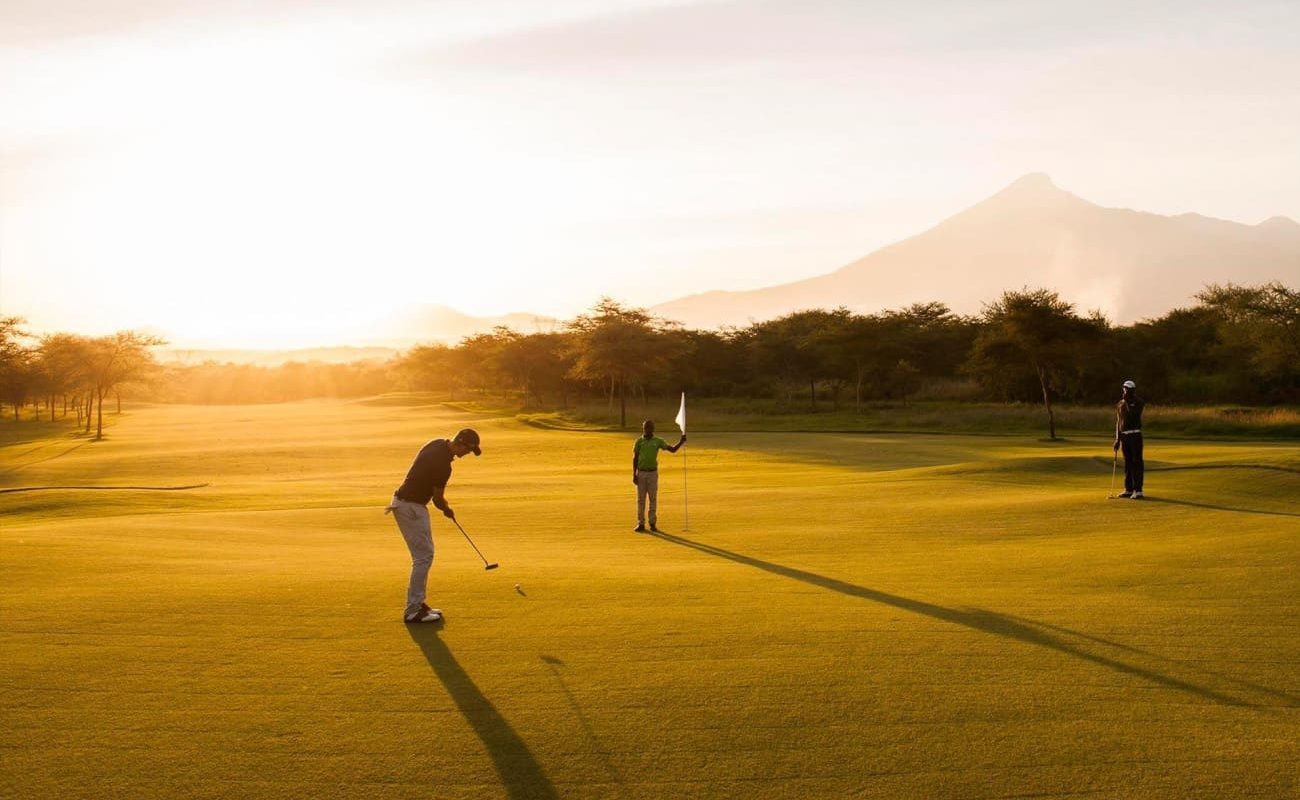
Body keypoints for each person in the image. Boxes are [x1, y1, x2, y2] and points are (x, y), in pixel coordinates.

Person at [386, 428, 482, 622]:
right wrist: (447, 509)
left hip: (405, 503)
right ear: (460, 443)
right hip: (411, 507)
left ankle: (418, 603)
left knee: (424, 555)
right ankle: (413, 611)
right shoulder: (444, 466)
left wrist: (443, 507)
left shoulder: (436, 443)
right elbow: (438, 499)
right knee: (423, 557)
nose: (467, 454)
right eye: (468, 450)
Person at [632, 419, 685, 533]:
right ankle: (641, 523)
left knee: (653, 498)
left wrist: (681, 442)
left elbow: (672, 450)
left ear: (653, 429)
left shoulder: (658, 441)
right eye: (646, 428)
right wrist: (634, 475)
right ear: (643, 429)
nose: (647, 430)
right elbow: (635, 458)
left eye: (650, 428)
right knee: (641, 500)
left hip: (652, 473)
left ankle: (652, 523)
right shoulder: (639, 441)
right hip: (641, 473)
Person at [1113, 380, 1144, 499]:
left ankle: (1138, 490)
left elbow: (1133, 415)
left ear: (1132, 391)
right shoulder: (1120, 404)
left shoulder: (1138, 402)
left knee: (1137, 463)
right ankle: (1129, 489)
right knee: (1128, 463)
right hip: (1124, 437)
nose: (1124, 392)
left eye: (1127, 390)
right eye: (1124, 389)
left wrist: (1127, 401)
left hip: (1135, 435)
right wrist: (1117, 439)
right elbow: (1118, 422)